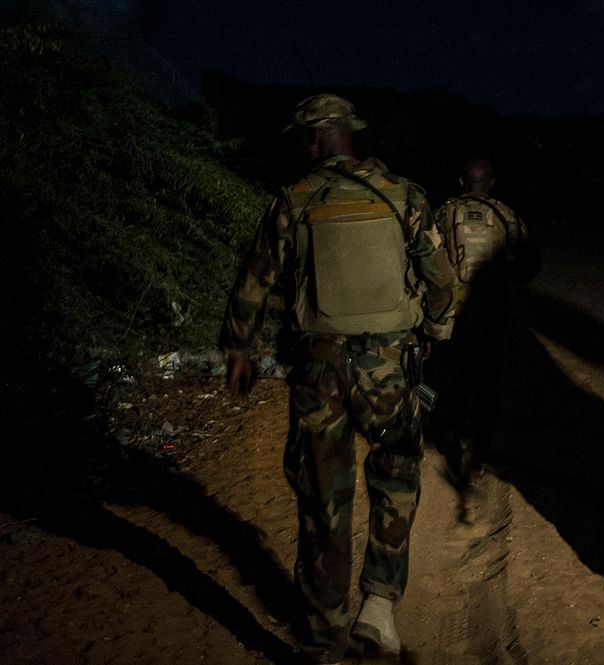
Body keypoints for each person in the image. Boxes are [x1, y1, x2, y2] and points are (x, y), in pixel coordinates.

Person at [220, 94, 455, 664]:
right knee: (396, 481)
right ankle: (378, 608)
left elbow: (255, 280)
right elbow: (443, 281)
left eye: (302, 137)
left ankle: (324, 634)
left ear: (318, 137)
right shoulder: (405, 196)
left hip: (319, 371)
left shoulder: (293, 201)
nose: (299, 148)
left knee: (324, 498)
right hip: (390, 372)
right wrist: (432, 333)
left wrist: (238, 347)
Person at [432, 157, 537, 492]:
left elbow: (425, 258)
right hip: (492, 312)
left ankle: (454, 441)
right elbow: (529, 266)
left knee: (455, 379)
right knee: (487, 379)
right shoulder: (507, 215)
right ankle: (479, 453)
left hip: (455, 315)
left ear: (461, 182)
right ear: (490, 183)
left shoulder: (444, 213)